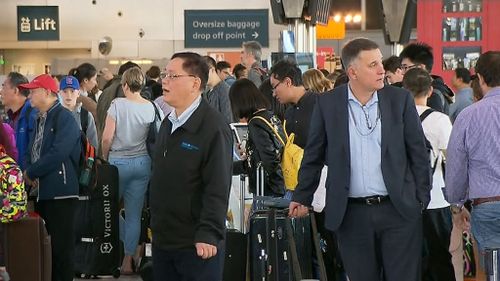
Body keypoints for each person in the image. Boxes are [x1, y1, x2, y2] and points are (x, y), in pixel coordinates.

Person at [289, 38, 431, 281]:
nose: (381, 70)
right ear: (352, 72)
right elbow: (313, 156)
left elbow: (418, 152)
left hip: (398, 210)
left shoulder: (399, 100)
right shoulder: (328, 104)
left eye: (380, 62)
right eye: (373, 64)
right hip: (350, 214)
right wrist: (302, 196)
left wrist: (421, 198)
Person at [149, 52, 232, 280]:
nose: (164, 81)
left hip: (197, 243)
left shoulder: (213, 127)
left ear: (195, 83)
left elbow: (218, 185)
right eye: (164, 75)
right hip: (165, 240)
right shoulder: (168, 123)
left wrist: (208, 232)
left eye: (172, 76)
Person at [101, 67, 162, 275]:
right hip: (143, 163)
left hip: (118, 163)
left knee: (107, 209)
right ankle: (128, 261)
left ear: (124, 85)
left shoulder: (117, 105)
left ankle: (112, 255)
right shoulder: (151, 107)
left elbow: (107, 137)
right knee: (135, 214)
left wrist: (105, 158)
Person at [21, 74, 81, 281]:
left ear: (47, 92)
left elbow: (58, 152)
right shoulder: (39, 118)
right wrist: (30, 169)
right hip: (43, 193)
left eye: (33, 90)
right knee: (48, 250)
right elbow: (32, 149)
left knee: (61, 250)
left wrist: (31, 172)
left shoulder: (65, 117)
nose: (29, 95)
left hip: (61, 194)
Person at [446, 51, 500, 273]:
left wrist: (456, 205)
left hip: (487, 205)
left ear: (479, 78)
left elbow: (456, 167)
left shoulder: (468, 116)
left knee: (493, 270)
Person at [403, 68, 457, 281]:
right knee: (440, 259)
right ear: (431, 91)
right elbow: (452, 161)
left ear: (404, 89)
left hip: (402, 201)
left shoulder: (394, 118)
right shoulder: (440, 120)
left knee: (409, 260)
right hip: (435, 200)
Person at [230, 78, 286, 197]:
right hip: (281, 185)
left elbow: (269, 160)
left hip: (268, 191)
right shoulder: (270, 116)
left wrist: (278, 190)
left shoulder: (255, 123)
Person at [399, 42, 454, 114]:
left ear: (421, 67)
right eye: (402, 68)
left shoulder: (433, 96)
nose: (402, 72)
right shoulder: (437, 87)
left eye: (405, 67)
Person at [0, 72, 38, 169]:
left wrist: (31, 173)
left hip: (28, 178)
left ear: (16, 91)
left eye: (4, 87)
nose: (1, 91)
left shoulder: (33, 115)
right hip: (15, 178)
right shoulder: (11, 118)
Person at [59, 75, 99, 149]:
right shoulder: (54, 114)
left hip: (80, 159)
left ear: (78, 93)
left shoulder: (86, 116)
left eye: (72, 91)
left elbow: (93, 144)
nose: (69, 95)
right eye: (65, 91)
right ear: (60, 93)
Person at [202, 56, 233, 123]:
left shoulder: (225, 91)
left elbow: (228, 121)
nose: (201, 77)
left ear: (212, 70)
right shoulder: (207, 92)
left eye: (203, 73)